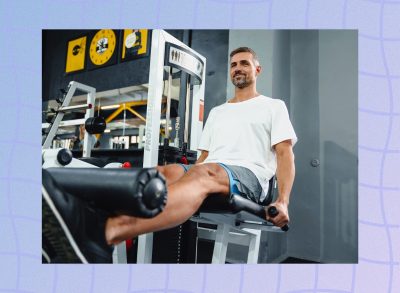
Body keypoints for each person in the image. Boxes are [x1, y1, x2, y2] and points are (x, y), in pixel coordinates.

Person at [42, 47, 297, 263]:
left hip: (249, 177)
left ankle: (103, 234)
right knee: (165, 172)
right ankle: (83, 210)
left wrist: (282, 200)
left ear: (257, 70)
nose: (237, 68)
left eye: (244, 63)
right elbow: (204, 158)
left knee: (204, 172)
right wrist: (185, 176)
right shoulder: (218, 112)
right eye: (233, 65)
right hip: (213, 169)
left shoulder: (272, 106)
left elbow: (285, 155)